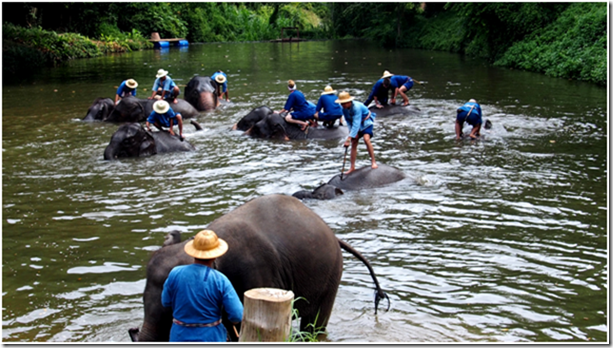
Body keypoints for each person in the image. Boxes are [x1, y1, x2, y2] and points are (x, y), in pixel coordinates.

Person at [161, 230, 244, 342]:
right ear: (215, 256)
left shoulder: (175, 273)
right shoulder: (220, 280)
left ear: (193, 252)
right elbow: (237, 315)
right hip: (211, 337)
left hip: (179, 336)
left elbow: (165, 302)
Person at [336, 91, 378, 175]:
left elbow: (356, 122)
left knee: (366, 139)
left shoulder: (356, 107)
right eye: (341, 103)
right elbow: (348, 120)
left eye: (344, 103)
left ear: (349, 102)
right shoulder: (343, 108)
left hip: (365, 122)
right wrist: (352, 133)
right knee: (354, 142)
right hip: (355, 124)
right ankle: (352, 167)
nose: (342, 105)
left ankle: (373, 161)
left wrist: (349, 137)